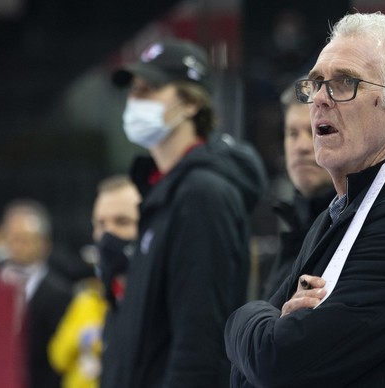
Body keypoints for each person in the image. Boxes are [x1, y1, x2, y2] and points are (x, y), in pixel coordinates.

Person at [225, 12, 385, 387]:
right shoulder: (339, 210)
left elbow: (274, 361)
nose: (320, 99)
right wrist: (268, 324)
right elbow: (248, 373)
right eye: (315, 83)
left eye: (345, 82)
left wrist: (241, 317)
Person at [102, 38, 267, 388]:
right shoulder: (164, 190)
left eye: (149, 90)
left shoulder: (202, 194)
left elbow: (200, 340)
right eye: (133, 91)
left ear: (191, 103)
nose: (134, 102)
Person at [49, 174, 141, 388]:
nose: (108, 233)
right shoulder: (94, 298)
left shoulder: (161, 298)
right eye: (100, 224)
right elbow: (57, 355)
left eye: (122, 221)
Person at [261, 77, 334, 299]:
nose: (301, 146)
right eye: (292, 133)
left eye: (317, 130)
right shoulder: (295, 224)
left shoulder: (358, 228)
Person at [0, 199, 73, 388]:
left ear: (44, 243)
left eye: (24, 239)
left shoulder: (59, 293)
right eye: (12, 238)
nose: (17, 246)